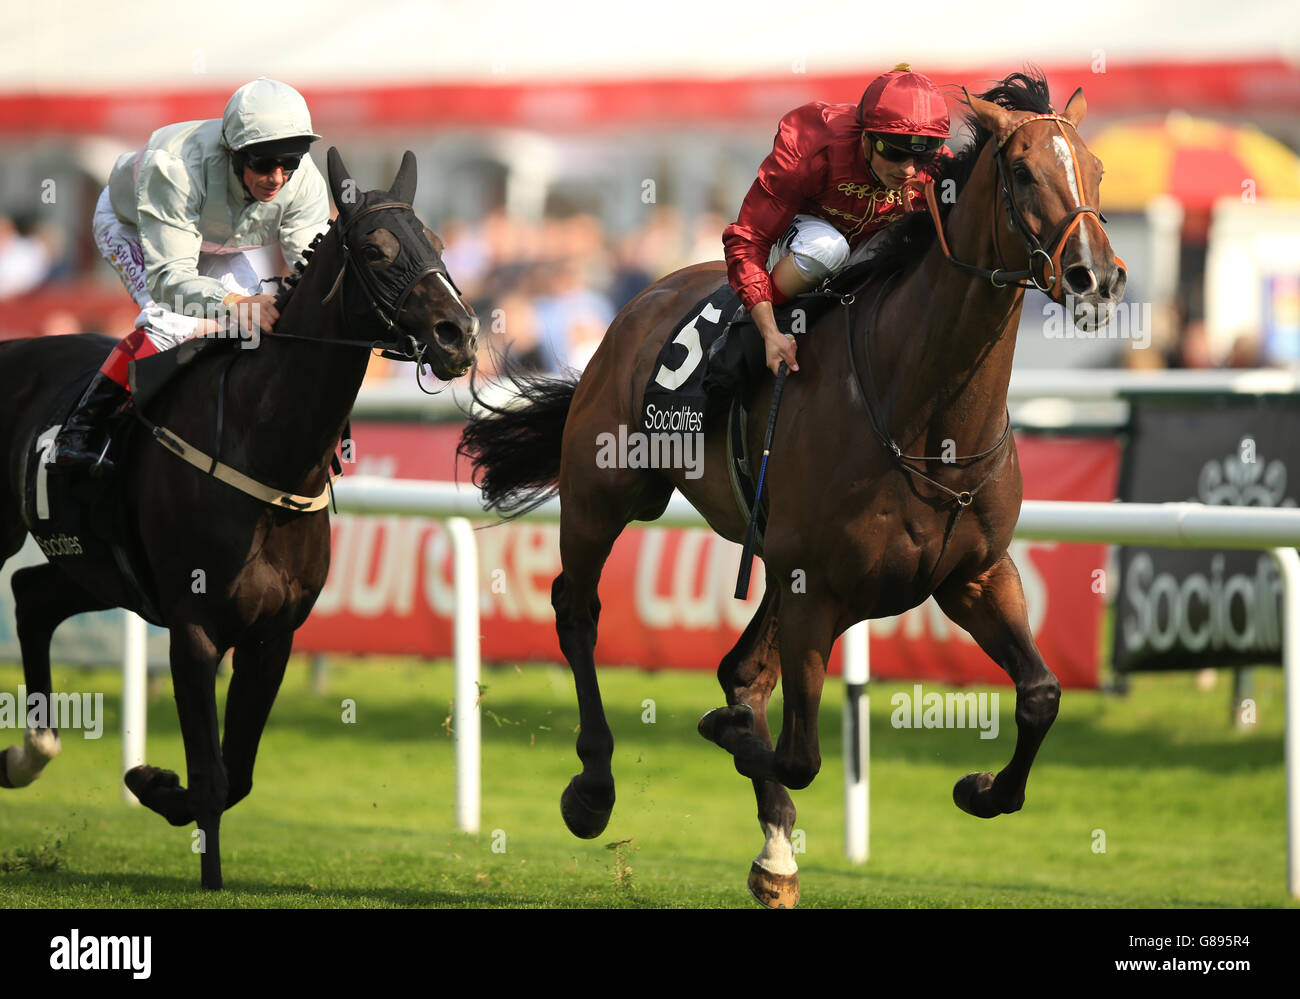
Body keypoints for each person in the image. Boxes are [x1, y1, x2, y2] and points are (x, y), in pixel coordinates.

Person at [51, 77, 330, 471]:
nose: (278, 178)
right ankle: (82, 429)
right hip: (132, 225)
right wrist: (235, 303)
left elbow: (312, 271)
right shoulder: (175, 167)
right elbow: (170, 281)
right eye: (264, 163)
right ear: (234, 153)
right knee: (173, 318)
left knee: (253, 326)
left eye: (290, 162)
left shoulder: (303, 182)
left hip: (212, 240)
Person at [710, 63, 951, 390]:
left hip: (863, 253)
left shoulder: (938, 171)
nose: (909, 170)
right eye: (894, 152)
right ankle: (751, 323)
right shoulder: (810, 144)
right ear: (866, 136)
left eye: (922, 156)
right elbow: (748, 239)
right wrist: (768, 330)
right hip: (802, 240)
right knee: (828, 248)